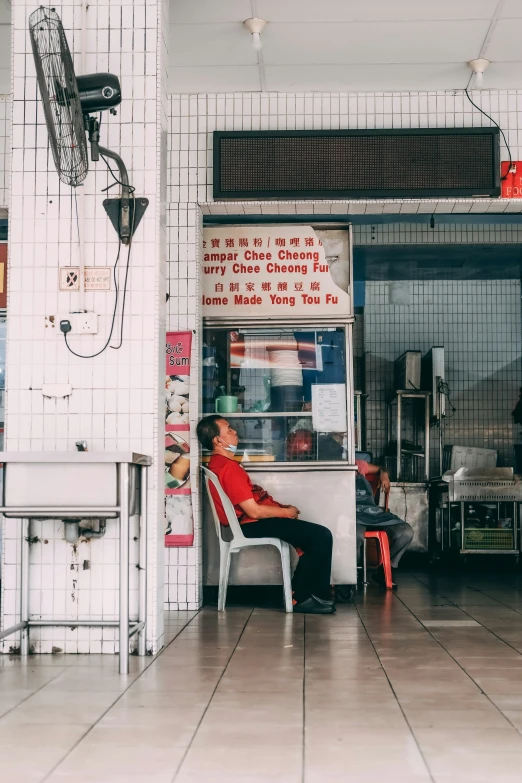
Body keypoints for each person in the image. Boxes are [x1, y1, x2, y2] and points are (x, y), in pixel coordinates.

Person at [197, 414, 336, 615]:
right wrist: (285, 512)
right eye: (228, 430)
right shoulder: (228, 468)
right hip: (250, 524)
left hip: (247, 522)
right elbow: (253, 510)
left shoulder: (219, 464)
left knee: (312, 537)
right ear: (218, 440)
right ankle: (307, 597)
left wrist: (282, 511)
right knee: (321, 536)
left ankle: (302, 594)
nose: (234, 431)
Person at [355, 457, 413, 588]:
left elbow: (381, 468)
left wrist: (384, 475)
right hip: (350, 514)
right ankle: (350, 575)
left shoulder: (358, 464)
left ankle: (385, 570)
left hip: (371, 512)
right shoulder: (330, 468)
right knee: (354, 536)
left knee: (406, 532)